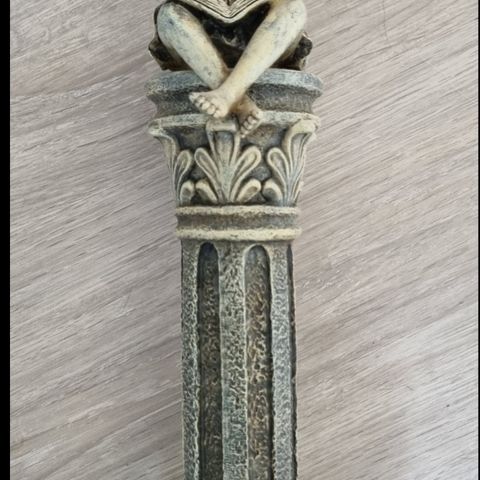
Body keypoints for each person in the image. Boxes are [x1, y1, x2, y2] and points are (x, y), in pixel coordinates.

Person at [149, 0, 311, 137]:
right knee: (168, 15)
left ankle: (228, 93)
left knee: (294, 8)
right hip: (203, 32)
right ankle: (237, 100)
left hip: (261, 30)